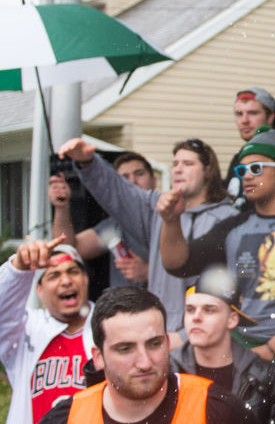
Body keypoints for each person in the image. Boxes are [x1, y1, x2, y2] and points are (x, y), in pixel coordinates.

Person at [160, 125, 275, 373]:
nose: (246, 176)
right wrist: (171, 221)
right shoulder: (233, 227)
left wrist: (270, 350)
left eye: (256, 168)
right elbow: (177, 264)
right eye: (241, 170)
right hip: (238, 338)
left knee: (271, 388)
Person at [32, 286, 260, 424]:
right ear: (98, 357)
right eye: (125, 349)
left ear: (168, 343)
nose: (144, 362)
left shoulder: (219, 412)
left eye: (154, 344)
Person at [56, 136, 238, 335]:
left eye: (187, 164)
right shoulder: (158, 208)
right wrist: (88, 163)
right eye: (175, 163)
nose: (177, 169)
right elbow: (119, 192)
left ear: (208, 171)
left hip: (205, 336)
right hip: (158, 331)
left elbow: (232, 289)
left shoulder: (229, 218)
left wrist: (184, 337)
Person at [171, 266, 275, 424]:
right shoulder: (168, 370)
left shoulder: (263, 375)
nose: (196, 317)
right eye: (190, 309)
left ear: (232, 320)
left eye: (209, 310)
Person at [0, 238, 92, 424]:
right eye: (54, 275)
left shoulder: (109, 325)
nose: (66, 281)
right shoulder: (26, 329)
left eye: (72, 272)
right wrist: (18, 269)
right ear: (39, 290)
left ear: (85, 279)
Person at [50, 151, 155, 289]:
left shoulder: (171, 218)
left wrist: (149, 272)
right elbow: (67, 248)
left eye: (139, 174)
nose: (132, 181)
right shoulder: (115, 225)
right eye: (124, 178)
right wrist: (62, 207)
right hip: (122, 307)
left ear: (154, 181)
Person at [225, 86, 275, 201]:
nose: (244, 120)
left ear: (270, 118)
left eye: (252, 113)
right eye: (239, 114)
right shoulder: (239, 157)